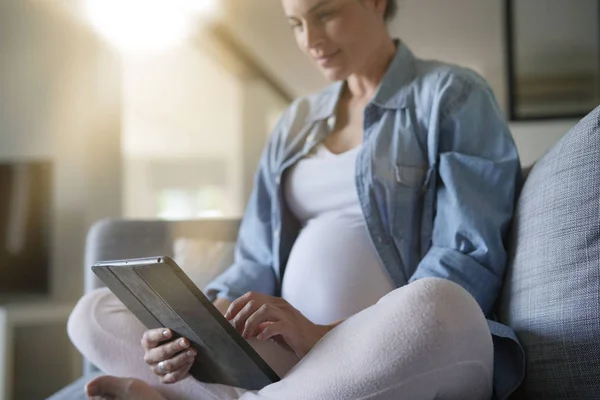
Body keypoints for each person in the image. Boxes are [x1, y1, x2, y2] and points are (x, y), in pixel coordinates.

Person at [69, 0, 525, 399]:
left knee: (439, 305)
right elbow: (255, 259)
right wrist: (193, 332)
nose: (311, 40)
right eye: (296, 24)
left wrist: (326, 334)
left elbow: (469, 254)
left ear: (375, 1)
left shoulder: (452, 95)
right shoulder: (296, 122)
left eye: (325, 14)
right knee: (93, 312)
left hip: (394, 346)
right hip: (286, 354)